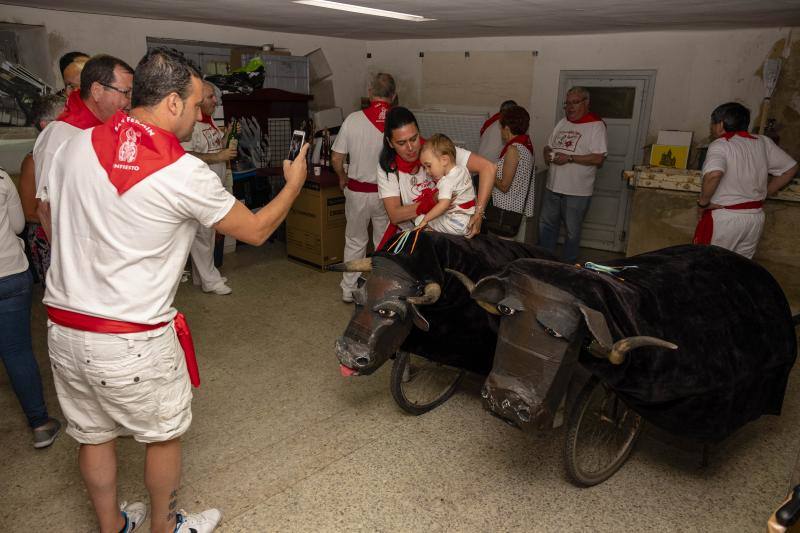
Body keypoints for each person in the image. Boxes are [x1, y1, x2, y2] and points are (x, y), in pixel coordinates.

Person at [42, 48, 308, 533]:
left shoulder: (72, 145)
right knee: (162, 437)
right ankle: (166, 527)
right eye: (193, 103)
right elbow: (254, 230)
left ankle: (112, 526)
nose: (197, 113)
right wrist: (292, 185)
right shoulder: (182, 170)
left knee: (93, 436)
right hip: (131, 338)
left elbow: (52, 218)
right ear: (170, 103)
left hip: (64, 329)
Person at [34, 54, 134, 240]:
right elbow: (46, 208)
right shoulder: (60, 134)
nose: (129, 101)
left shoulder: (118, 130)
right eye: (125, 92)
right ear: (96, 90)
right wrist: (66, 263)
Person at [0, 168, 61, 449]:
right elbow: (16, 225)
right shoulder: (1, 178)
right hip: (8, 272)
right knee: (17, 351)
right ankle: (40, 424)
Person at [377, 107, 496, 245]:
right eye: (401, 143)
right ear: (390, 143)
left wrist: (479, 214)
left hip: (447, 235)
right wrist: (432, 202)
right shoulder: (388, 167)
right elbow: (395, 215)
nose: (410, 148)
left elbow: (488, 168)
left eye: (414, 138)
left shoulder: (437, 151)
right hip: (413, 235)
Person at [694, 102, 797, 258]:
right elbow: (790, 169)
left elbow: (714, 174)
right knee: (740, 269)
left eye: (712, 123)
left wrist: (703, 203)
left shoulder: (721, 144)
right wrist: (766, 192)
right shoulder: (762, 142)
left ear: (721, 124)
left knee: (710, 267)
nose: (711, 128)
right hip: (754, 218)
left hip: (725, 219)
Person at [331, 73, 394, 303]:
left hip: (357, 192)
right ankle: (382, 288)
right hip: (387, 195)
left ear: (369, 93)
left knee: (355, 241)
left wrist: (342, 177)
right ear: (394, 96)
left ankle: (349, 289)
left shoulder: (353, 119)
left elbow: (337, 159)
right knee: (384, 242)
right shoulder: (398, 121)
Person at [539, 87, 607, 263]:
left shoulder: (596, 125)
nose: (570, 107)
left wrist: (569, 157)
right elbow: (548, 145)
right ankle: (544, 261)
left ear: (586, 103)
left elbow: (599, 158)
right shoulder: (562, 122)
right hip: (553, 185)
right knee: (546, 225)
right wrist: (547, 153)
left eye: (575, 102)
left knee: (572, 231)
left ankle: (569, 265)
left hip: (577, 191)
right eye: (567, 103)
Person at [180, 80, 236, 295]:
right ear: (198, 98)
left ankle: (201, 277)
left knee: (208, 233)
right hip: (199, 189)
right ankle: (210, 281)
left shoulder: (209, 120)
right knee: (202, 234)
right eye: (211, 97)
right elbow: (186, 154)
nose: (216, 100)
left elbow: (214, 148)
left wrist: (226, 138)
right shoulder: (190, 124)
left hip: (215, 187)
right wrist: (217, 156)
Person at [18, 94, 66, 286]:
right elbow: (29, 212)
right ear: (46, 125)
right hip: (45, 238)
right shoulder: (32, 161)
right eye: (64, 120)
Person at [490, 105, 535, 242]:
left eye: (501, 128)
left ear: (507, 128)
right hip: (515, 208)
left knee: (500, 251)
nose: (501, 132)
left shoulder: (513, 149)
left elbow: (504, 186)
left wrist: (489, 171)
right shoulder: (526, 146)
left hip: (505, 211)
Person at [416, 134, 476, 235]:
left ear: (444, 160)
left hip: (455, 224)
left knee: (419, 219)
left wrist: (425, 220)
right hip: (467, 220)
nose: (427, 171)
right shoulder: (463, 169)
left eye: (428, 166)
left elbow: (443, 205)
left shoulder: (446, 182)